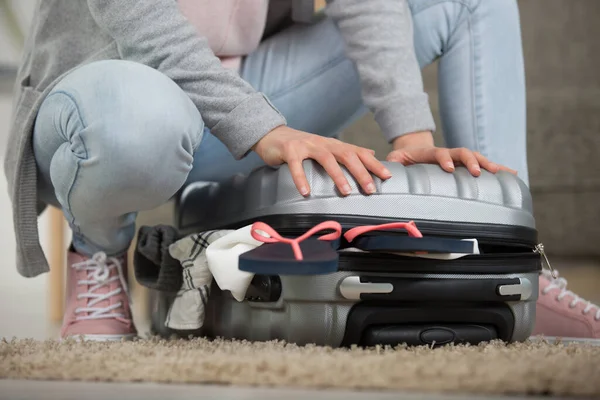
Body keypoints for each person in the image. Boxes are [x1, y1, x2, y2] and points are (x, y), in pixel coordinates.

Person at [5, 0, 597, 342]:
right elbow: (135, 14)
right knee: (137, 119)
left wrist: (411, 134)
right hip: (105, 96)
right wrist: (262, 127)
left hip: (246, 88)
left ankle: (511, 267)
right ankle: (96, 253)